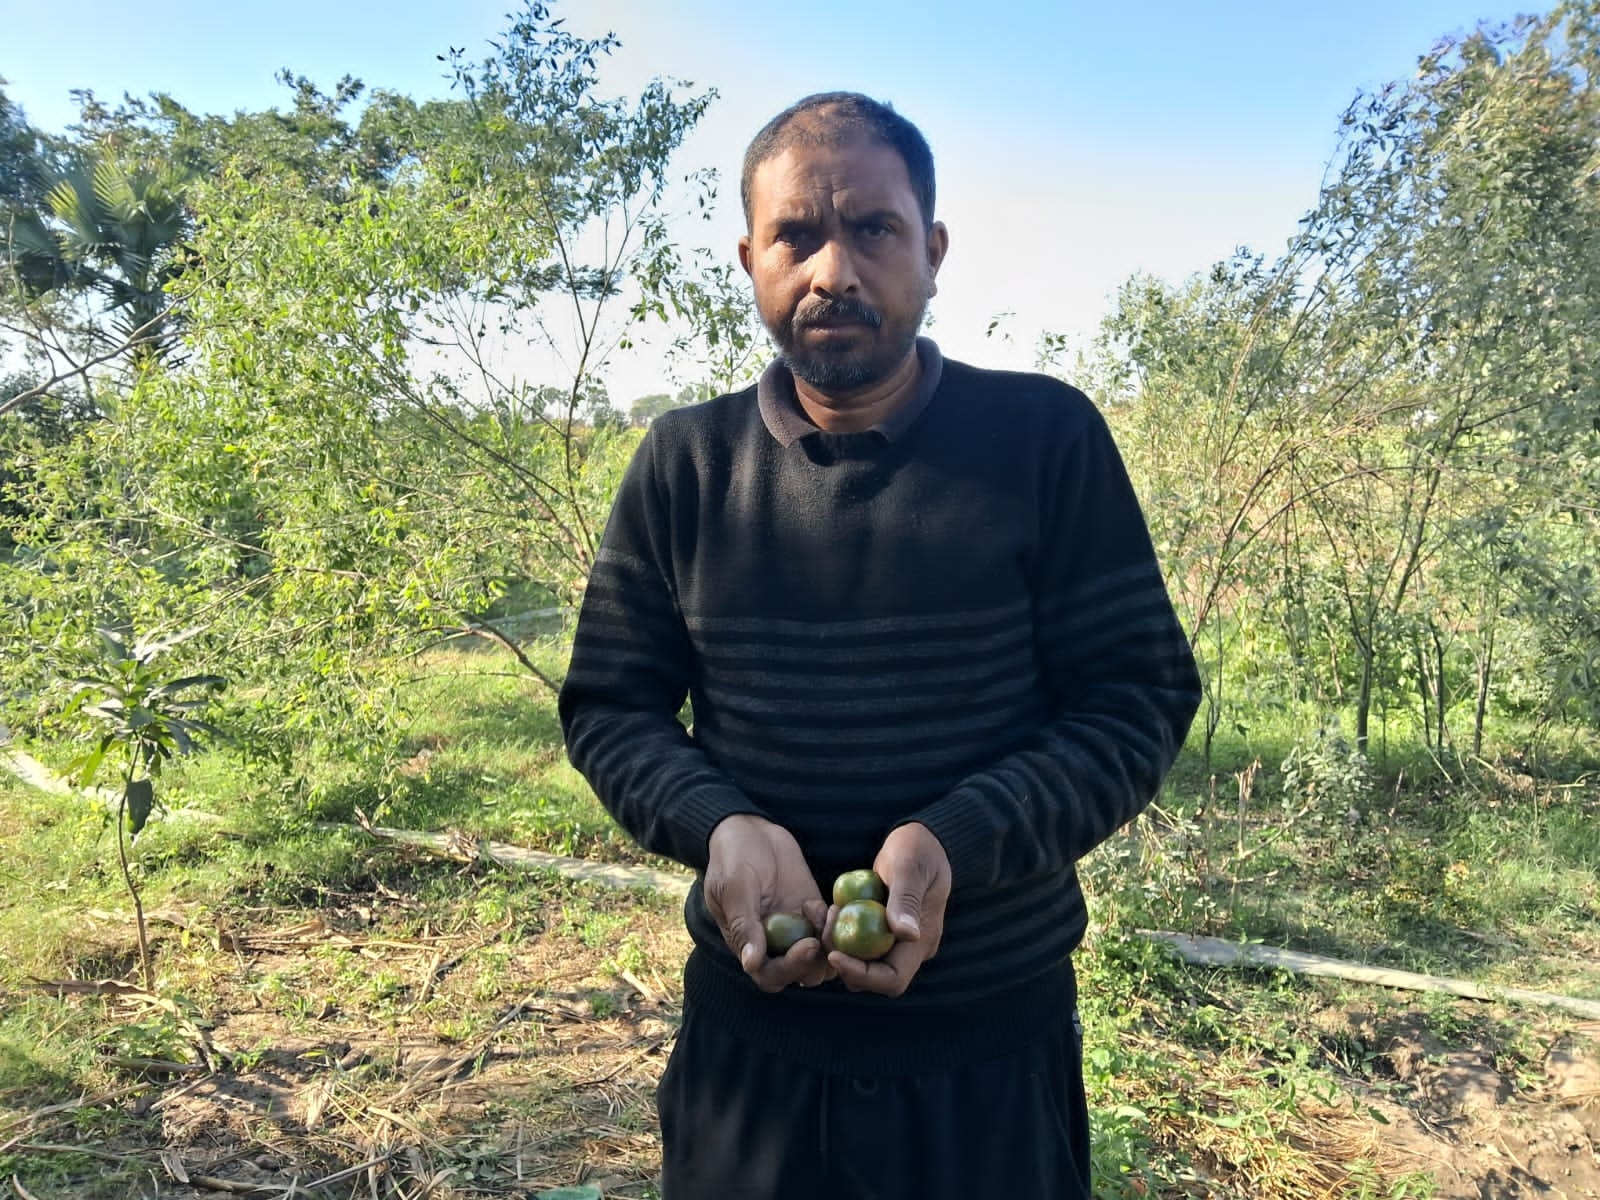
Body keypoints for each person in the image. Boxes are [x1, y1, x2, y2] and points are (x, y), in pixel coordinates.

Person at [559, 91, 1201, 1200]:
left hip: (986, 1056)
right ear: (750, 258)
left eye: (873, 229)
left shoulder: (1044, 441)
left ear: (933, 250)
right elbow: (610, 706)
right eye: (796, 235)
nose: (833, 270)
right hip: (748, 1063)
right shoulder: (682, 464)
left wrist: (954, 840)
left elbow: (1134, 695)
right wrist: (723, 827)